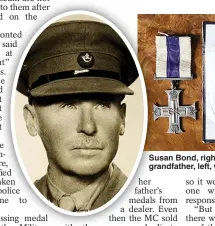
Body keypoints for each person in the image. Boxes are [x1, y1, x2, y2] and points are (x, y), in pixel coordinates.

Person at [16, 20, 139, 212]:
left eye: (102, 104)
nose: (88, 127)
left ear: (122, 118)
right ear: (32, 120)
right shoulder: (15, 208)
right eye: (68, 104)